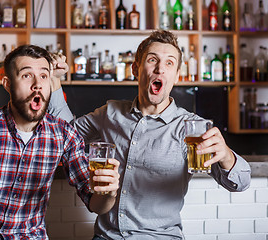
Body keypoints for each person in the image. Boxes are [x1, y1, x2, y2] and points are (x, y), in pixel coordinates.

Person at [48, 30, 251, 239]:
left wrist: (226, 155)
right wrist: (54, 81)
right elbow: (66, 133)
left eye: (169, 63)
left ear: (177, 75)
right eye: (152, 60)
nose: (160, 68)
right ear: (135, 69)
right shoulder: (109, 113)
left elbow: (241, 182)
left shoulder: (192, 128)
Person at [0, 45, 120, 239]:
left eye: (43, 76)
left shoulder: (64, 134)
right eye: (26, 75)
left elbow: (95, 204)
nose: (37, 84)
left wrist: (108, 193)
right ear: (8, 84)